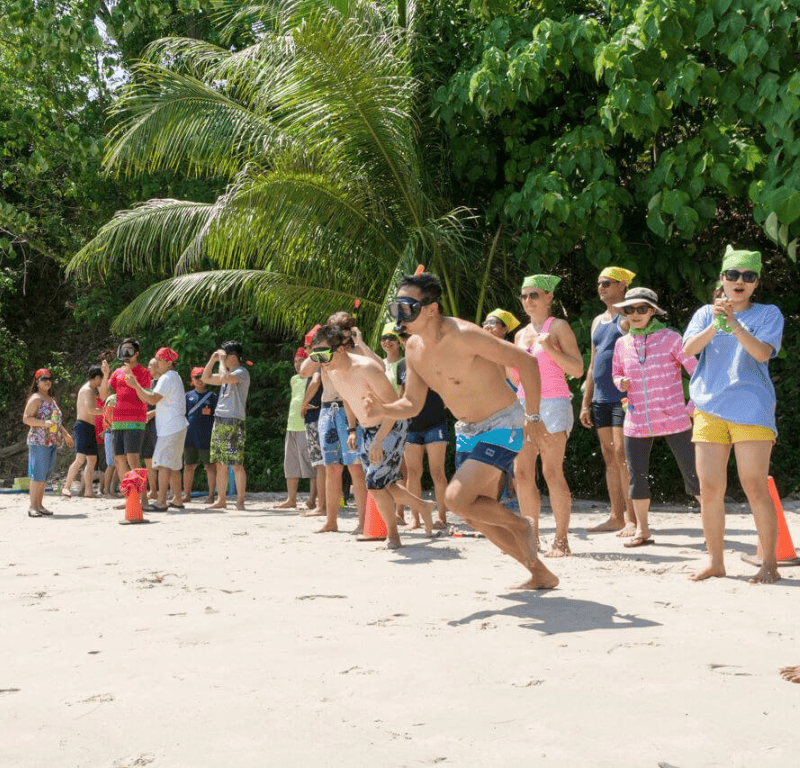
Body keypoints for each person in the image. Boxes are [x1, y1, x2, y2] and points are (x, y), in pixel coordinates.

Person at [365, 272, 559, 588]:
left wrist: (534, 417)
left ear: (431, 308)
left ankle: (522, 525)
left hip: (504, 423)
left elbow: (527, 363)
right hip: (467, 430)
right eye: (397, 308)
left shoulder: (465, 335)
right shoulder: (413, 348)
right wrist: (383, 410)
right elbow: (412, 404)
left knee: (456, 498)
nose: (401, 316)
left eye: (407, 307)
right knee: (472, 514)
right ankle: (539, 573)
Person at [683, 246, 784, 584]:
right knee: (709, 489)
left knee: (754, 486)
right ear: (722, 279)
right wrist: (716, 323)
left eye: (748, 276)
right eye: (733, 275)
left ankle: (769, 563)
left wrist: (735, 324)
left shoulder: (769, 314)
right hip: (708, 407)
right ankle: (715, 562)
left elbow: (761, 353)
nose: (740, 281)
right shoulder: (703, 314)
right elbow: (687, 350)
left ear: (756, 283)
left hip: (751, 408)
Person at [310, 324, 436, 547]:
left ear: (339, 349)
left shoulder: (367, 368)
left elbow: (394, 406)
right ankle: (423, 507)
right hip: (366, 430)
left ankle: (393, 536)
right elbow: (348, 399)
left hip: (392, 425)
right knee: (385, 485)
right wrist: (351, 429)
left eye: (323, 353)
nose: (320, 360)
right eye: (315, 355)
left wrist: (378, 440)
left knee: (375, 486)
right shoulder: (332, 371)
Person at [611, 287, 700, 547]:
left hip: (675, 418)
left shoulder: (672, 338)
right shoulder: (621, 343)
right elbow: (616, 373)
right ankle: (643, 530)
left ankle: (711, 527)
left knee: (693, 473)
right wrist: (620, 383)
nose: (636, 314)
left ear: (653, 311)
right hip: (637, 421)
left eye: (642, 309)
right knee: (636, 476)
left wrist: (692, 404)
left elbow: (697, 371)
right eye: (630, 309)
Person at [513, 275, 584, 556]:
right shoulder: (519, 335)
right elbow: (516, 376)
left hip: (553, 403)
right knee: (521, 473)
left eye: (534, 295)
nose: (528, 300)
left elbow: (577, 369)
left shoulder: (559, 327)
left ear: (549, 297)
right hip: (522, 405)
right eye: (524, 296)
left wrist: (551, 349)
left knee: (552, 472)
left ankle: (561, 540)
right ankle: (532, 538)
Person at [580, 267, 637, 535]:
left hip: (622, 396)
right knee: (609, 456)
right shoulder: (596, 321)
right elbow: (592, 364)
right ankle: (616, 515)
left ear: (622, 285)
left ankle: (632, 518)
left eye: (606, 283)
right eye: (598, 283)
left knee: (622, 455)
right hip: (601, 398)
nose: (601, 287)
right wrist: (585, 402)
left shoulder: (627, 318)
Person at [299, 314, 368, 534]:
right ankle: (331, 521)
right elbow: (303, 371)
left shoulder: (354, 350)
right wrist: (320, 345)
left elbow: (374, 364)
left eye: (342, 330)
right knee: (332, 468)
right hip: (328, 408)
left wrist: (358, 341)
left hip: (352, 409)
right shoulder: (324, 352)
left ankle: (363, 521)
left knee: (356, 468)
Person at [126, 347, 189, 511]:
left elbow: (152, 399)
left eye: (159, 360)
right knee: (173, 465)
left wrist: (135, 386)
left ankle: (161, 501)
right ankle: (177, 499)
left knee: (163, 464)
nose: (156, 363)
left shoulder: (167, 378)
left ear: (169, 363)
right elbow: (167, 402)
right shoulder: (173, 376)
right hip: (177, 426)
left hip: (170, 427)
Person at [100, 338, 151, 509]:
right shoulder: (117, 372)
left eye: (129, 350)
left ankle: (143, 499)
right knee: (119, 459)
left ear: (136, 353)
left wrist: (134, 383)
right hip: (118, 422)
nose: (125, 352)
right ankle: (130, 496)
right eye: (124, 349)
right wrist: (106, 374)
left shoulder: (143, 372)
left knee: (133, 460)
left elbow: (146, 397)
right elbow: (102, 396)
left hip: (135, 421)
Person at [202, 340, 250, 510]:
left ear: (234, 357)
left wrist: (221, 362)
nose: (224, 358)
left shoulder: (241, 372)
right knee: (220, 463)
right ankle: (221, 499)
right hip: (220, 418)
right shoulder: (226, 372)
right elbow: (205, 378)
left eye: (226, 355)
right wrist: (212, 360)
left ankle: (240, 500)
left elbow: (224, 377)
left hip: (233, 419)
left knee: (236, 463)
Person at [22, 368, 74, 516]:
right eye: (44, 379)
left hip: (51, 442)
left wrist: (65, 434)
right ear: (37, 382)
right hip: (38, 441)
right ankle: (33, 506)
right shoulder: (36, 398)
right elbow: (26, 419)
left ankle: (39, 505)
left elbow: (56, 422)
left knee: (44, 475)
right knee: (37, 474)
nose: (48, 381)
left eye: (50, 379)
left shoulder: (51, 399)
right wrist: (44, 423)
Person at [276, 348, 316, 509]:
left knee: (312, 465)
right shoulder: (294, 379)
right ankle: (291, 499)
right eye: (296, 361)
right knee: (290, 465)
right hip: (291, 426)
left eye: (301, 361)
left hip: (306, 426)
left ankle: (312, 500)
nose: (298, 364)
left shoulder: (314, 378)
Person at [62, 365, 107, 498]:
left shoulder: (91, 390)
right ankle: (66, 487)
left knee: (92, 460)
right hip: (83, 426)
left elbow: (100, 399)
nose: (101, 383)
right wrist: (107, 410)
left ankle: (88, 491)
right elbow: (91, 410)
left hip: (89, 427)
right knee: (80, 459)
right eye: (101, 380)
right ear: (97, 378)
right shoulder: (87, 390)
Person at [182, 366, 217, 504]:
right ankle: (186, 495)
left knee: (210, 467)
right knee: (188, 466)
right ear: (192, 379)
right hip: (189, 437)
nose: (200, 380)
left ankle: (211, 496)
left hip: (206, 437)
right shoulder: (187, 396)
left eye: (203, 376)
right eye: (197, 377)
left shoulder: (212, 397)